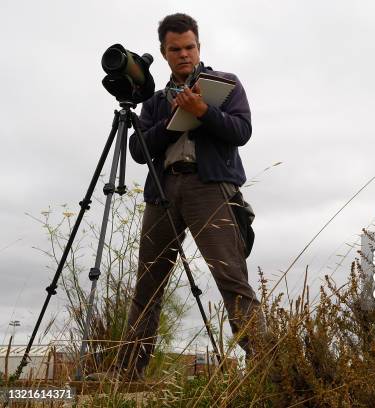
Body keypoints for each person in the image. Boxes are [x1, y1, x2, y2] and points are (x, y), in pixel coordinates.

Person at [88, 13, 264, 381]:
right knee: (148, 284)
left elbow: (242, 131)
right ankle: (128, 374)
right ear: (164, 53)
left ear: (199, 47)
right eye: (175, 49)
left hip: (210, 187)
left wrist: (203, 111)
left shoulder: (226, 85)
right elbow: (138, 149)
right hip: (163, 191)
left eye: (189, 47)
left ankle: (269, 368)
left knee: (231, 278)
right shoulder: (153, 102)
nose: (184, 54)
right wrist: (172, 121)